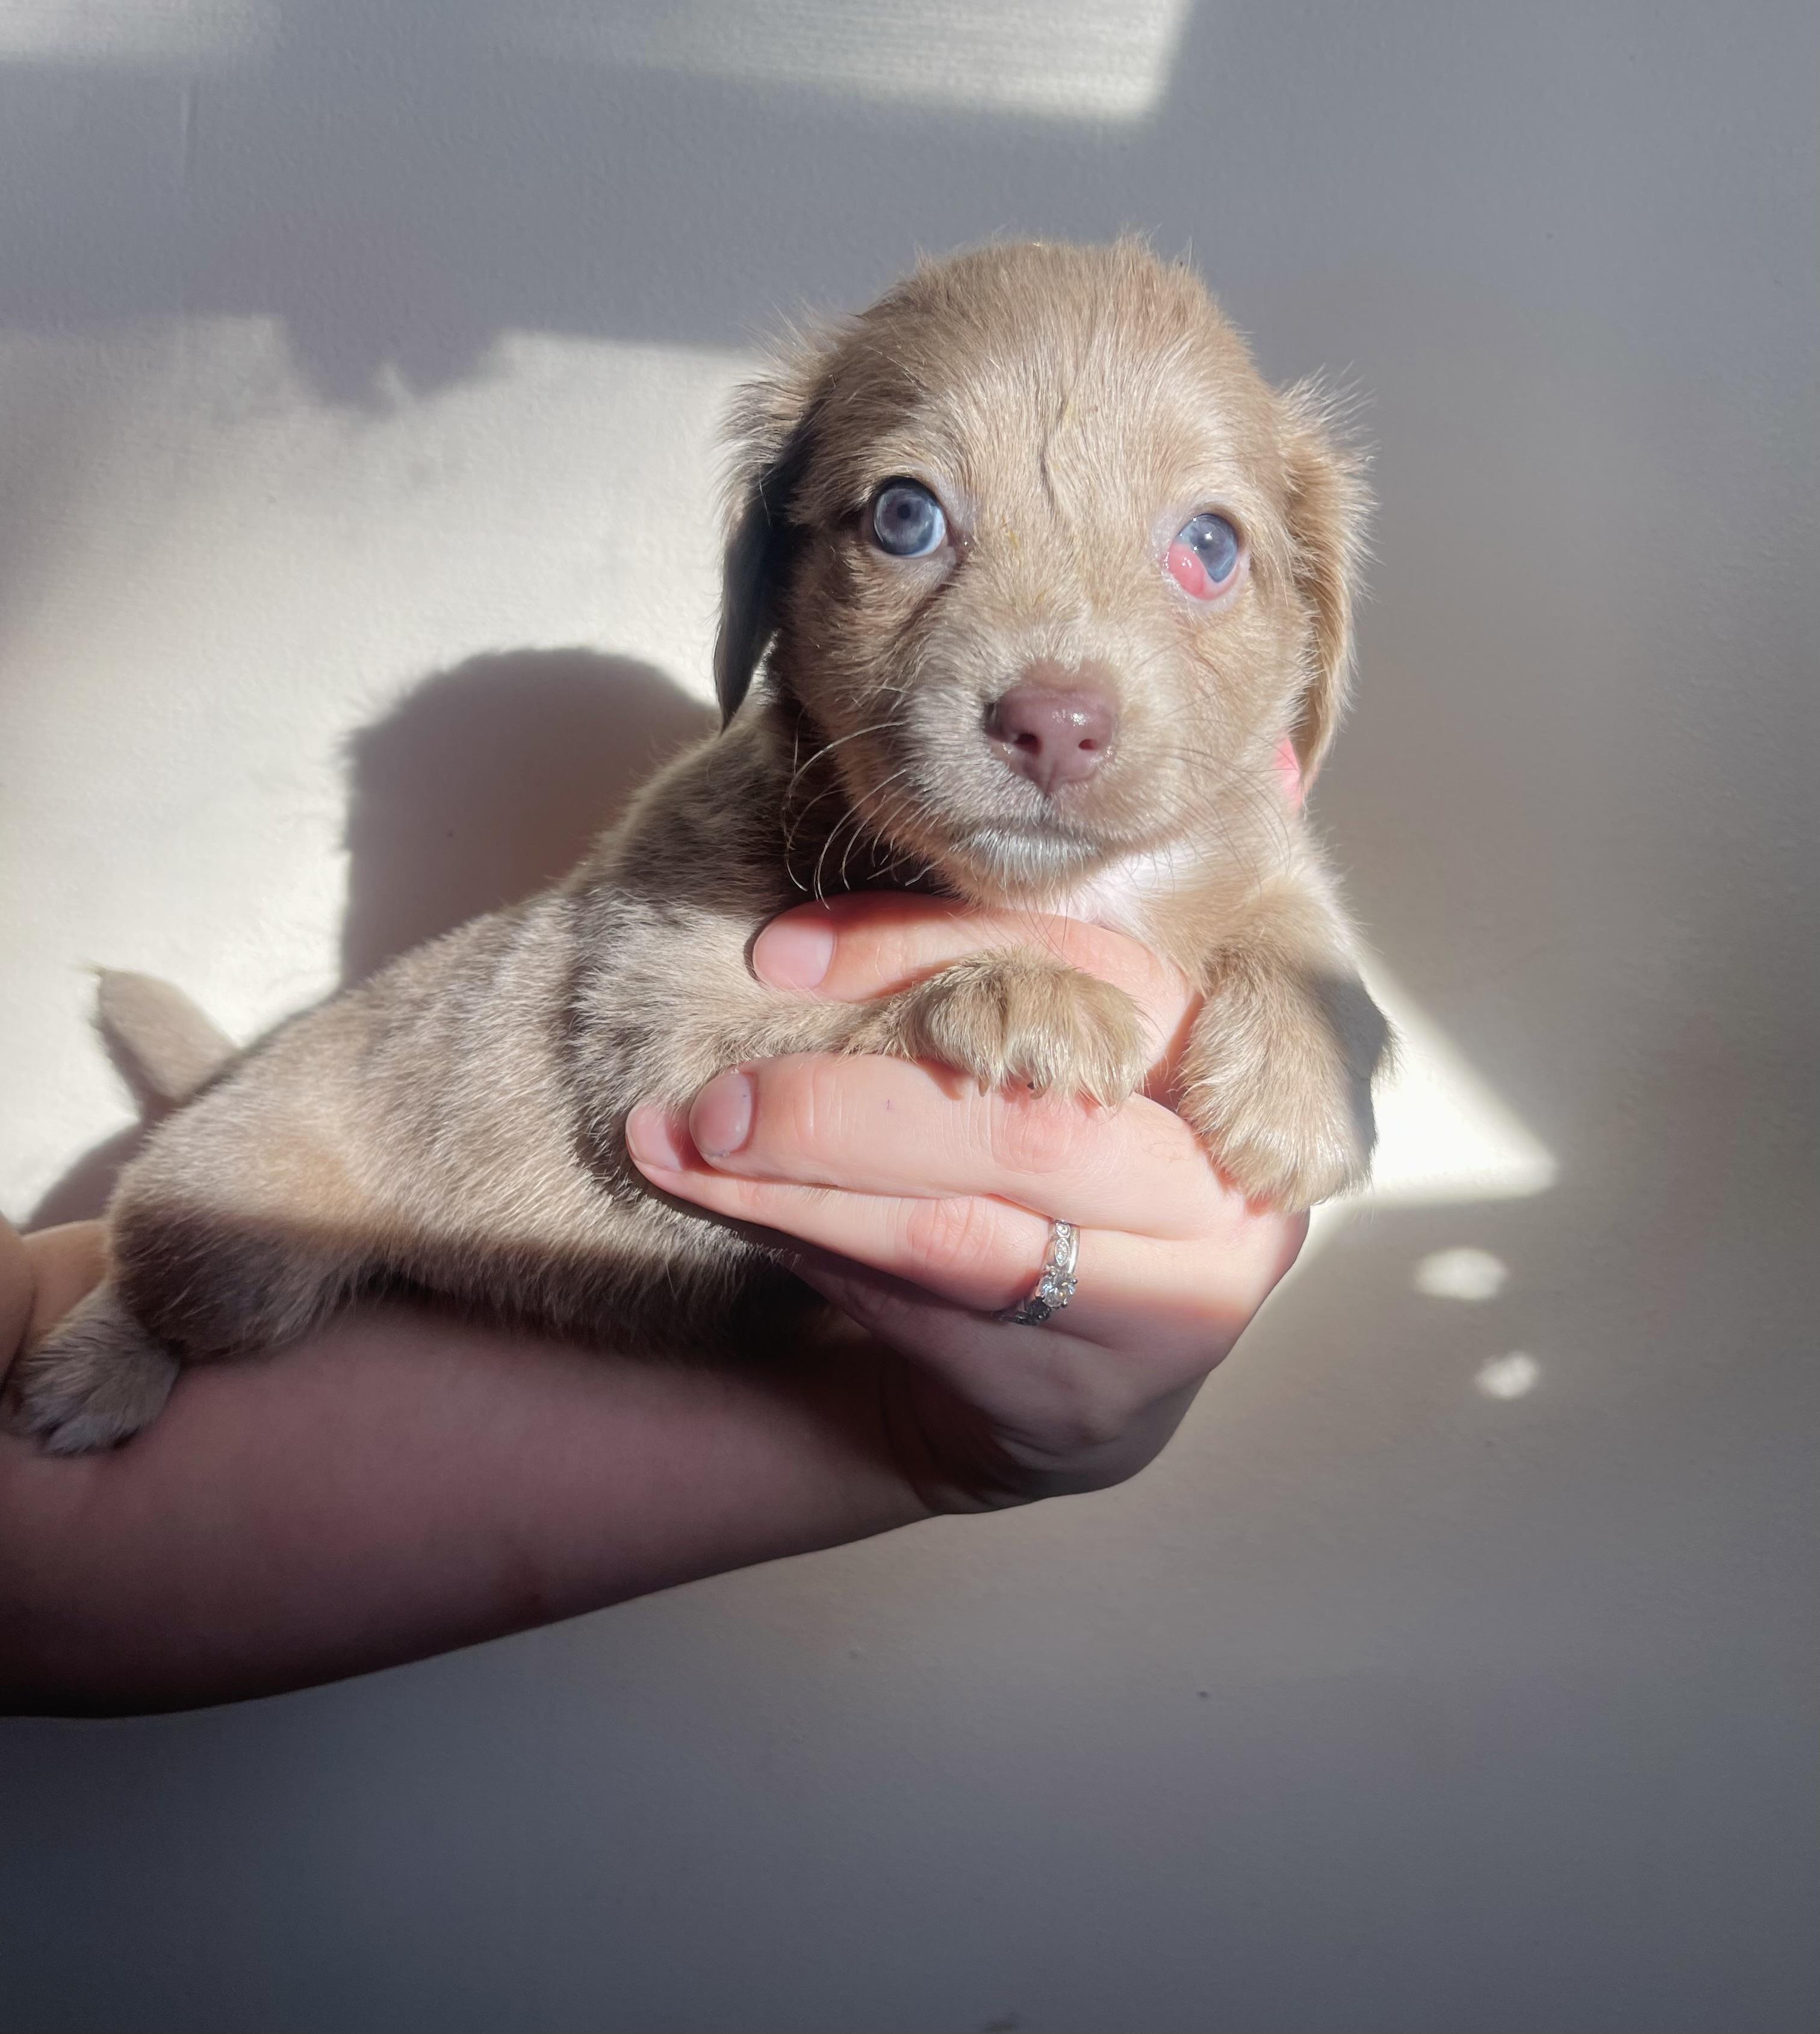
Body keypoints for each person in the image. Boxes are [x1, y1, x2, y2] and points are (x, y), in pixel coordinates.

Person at [0, 895, 1305, 1715]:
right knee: (213, 1276)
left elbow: (49, 1546)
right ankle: (152, 1296)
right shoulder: (724, 834)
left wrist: (920, 1432)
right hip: (349, 1145)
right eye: (904, 525)